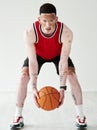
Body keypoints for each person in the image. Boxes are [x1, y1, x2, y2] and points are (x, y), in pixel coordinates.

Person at [10, 3, 87, 130]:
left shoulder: (66, 32)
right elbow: (33, 61)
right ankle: (17, 116)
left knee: (71, 75)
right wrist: (34, 87)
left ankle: (81, 116)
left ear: (56, 19)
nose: (48, 25)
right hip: (38, 55)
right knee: (24, 76)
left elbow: (63, 61)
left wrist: (62, 88)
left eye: (51, 21)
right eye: (44, 21)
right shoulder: (30, 32)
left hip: (58, 55)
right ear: (39, 20)